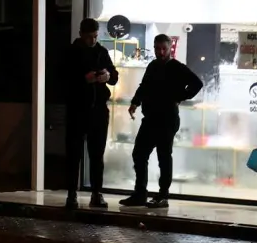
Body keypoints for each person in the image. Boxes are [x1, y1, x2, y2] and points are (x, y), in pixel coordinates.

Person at [121, 34, 203, 208]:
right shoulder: (153, 66)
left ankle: (163, 195)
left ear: (169, 48)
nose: (160, 52)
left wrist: (179, 97)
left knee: (163, 157)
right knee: (139, 154)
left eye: (163, 49)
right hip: (151, 117)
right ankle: (140, 193)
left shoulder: (177, 67)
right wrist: (135, 102)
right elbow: (144, 86)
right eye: (157, 49)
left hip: (167, 118)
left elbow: (197, 83)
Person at [64, 18, 118, 209]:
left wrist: (107, 76)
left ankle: (96, 193)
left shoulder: (101, 52)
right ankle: (72, 194)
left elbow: (114, 76)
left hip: (98, 110)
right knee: (74, 154)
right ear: (81, 34)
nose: (93, 41)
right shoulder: (71, 52)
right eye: (89, 37)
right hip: (77, 109)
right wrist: (83, 80)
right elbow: (62, 78)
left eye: (95, 37)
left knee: (97, 155)